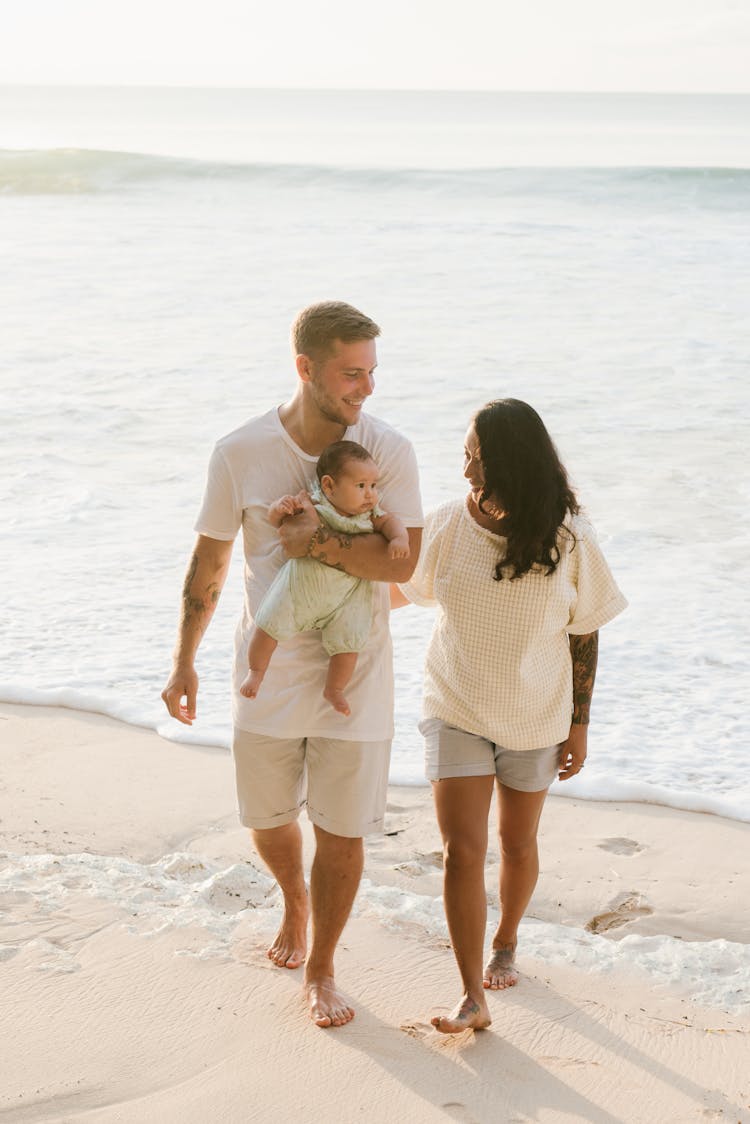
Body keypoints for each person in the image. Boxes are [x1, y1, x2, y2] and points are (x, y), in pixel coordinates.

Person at [161, 301, 423, 1028]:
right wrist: (183, 660)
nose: (365, 389)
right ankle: (294, 899)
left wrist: (316, 547)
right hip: (266, 670)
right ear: (305, 368)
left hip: (355, 675)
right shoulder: (241, 452)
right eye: (350, 374)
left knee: (342, 831)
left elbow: (407, 556)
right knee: (269, 818)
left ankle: (323, 966)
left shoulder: (389, 451)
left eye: (371, 373)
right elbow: (210, 560)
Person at [392, 398, 626, 1034]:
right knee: (461, 852)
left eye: (476, 458)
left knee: (516, 844)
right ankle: (472, 995)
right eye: (466, 455)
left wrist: (580, 723)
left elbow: (586, 633)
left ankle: (507, 940)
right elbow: (397, 589)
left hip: (536, 716)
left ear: (511, 464)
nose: (465, 469)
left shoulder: (570, 539)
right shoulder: (446, 524)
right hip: (456, 704)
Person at [240, 439, 410, 716]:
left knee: (348, 643)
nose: (370, 494)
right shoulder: (314, 502)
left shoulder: (371, 513)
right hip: (302, 588)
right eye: (360, 486)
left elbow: (391, 523)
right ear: (329, 486)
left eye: (373, 486)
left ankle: (335, 689)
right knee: (268, 623)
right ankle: (256, 671)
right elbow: (276, 521)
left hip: (348, 596)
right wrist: (278, 509)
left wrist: (399, 539)